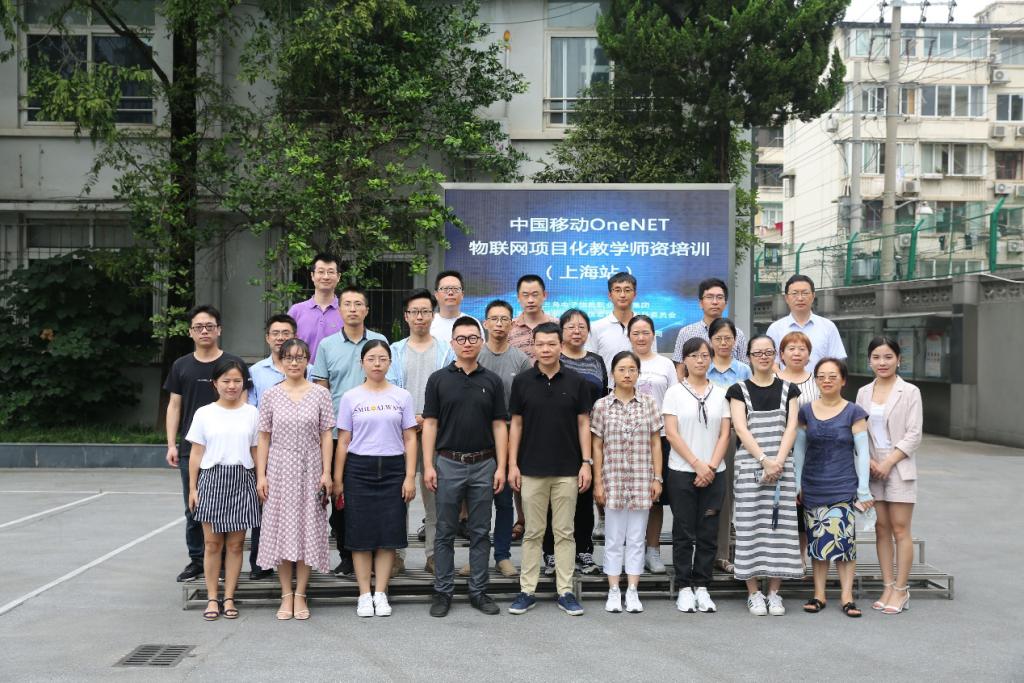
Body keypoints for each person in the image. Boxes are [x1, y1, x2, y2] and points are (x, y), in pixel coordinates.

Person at [422, 317, 508, 617]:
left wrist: (501, 466)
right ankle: (443, 592)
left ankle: (479, 591)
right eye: (461, 338)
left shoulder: (492, 381)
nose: (467, 343)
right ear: (452, 343)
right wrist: (428, 465)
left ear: (481, 342)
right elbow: (430, 424)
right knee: (444, 531)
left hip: (484, 464)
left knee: (480, 531)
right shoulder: (438, 380)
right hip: (448, 463)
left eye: (473, 338)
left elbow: (499, 425)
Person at [508, 322, 593, 617]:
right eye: (540, 344)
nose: (545, 349)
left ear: (561, 346)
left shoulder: (576, 381)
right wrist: (512, 464)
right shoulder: (523, 382)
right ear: (533, 346)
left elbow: (583, 423)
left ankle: (565, 590)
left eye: (551, 344)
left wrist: (586, 463)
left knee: (565, 532)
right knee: (533, 532)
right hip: (531, 469)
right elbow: (516, 424)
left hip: (568, 469)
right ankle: (527, 591)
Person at [334, 340, 418, 618]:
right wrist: (338, 479)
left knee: (387, 534)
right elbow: (343, 440)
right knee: (360, 534)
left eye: (382, 358)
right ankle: (363, 593)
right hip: (359, 469)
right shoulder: (351, 397)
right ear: (362, 363)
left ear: (390, 362)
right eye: (371, 358)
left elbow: (410, 438)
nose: (377, 363)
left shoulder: (402, 396)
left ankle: (380, 592)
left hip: (393, 468)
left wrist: (409, 476)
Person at [254, 338, 334, 621]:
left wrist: (327, 472)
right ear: (281, 361)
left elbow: (327, 434)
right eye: (289, 357)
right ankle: (286, 593)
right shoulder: (271, 395)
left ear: (308, 360)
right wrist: (261, 475)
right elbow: (264, 437)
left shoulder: (320, 394)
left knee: (307, 529)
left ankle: (301, 593)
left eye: (300, 357)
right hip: (279, 468)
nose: (294, 363)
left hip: (311, 466)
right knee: (282, 530)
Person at [165, 305, 246, 583]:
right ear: (190, 332)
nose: (204, 331)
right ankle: (198, 560)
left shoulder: (233, 363)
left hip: (230, 451)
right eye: (198, 327)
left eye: (209, 326)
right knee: (194, 507)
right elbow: (174, 406)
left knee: (229, 510)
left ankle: (222, 563)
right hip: (193, 449)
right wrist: (171, 444)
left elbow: (243, 405)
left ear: (219, 330)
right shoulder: (181, 365)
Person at [311, 285, 388, 577]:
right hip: (336, 436)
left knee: (371, 498)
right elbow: (321, 390)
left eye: (358, 304)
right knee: (339, 496)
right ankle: (346, 554)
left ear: (366, 310)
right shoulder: (327, 346)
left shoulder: (379, 342)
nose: (353, 309)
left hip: (374, 434)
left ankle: (373, 553)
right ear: (340, 309)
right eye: (348, 304)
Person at [726, 335, 803, 616]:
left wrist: (778, 462)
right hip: (750, 467)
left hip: (782, 468)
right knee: (749, 527)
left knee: (780, 529)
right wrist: (764, 461)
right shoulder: (738, 390)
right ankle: (753, 593)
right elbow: (740, 428)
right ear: (748, 357)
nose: (763, 357)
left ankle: (774, 593)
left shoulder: (790, 389)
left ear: (775, 355)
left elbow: (792, 427)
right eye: (757, 353)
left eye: (768, 352)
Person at [792, 357, 873, 618]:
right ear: (815, 380)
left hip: (843, 485)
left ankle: (847, 597)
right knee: (818, 544)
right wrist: (797, 483)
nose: (826, 381)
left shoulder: (854, 412)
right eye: (821, 376)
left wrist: (863, 490)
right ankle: (819, 594)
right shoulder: (805, 411)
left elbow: (863, 453)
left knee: (845, 544)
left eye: (832, 376)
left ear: (843, 380)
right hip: (813, 485)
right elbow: (799, 451)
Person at [186, 358, 260, 621]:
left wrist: (261, 479)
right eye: (226, 381)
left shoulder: (252, 413)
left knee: (236, 545)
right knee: (212, 544)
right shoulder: (204, 413)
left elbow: (256, 450)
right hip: (211, 479)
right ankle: (212, 597)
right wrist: (193, 488)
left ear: (244, 384)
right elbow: (196, 453)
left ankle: (229, 596)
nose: (231, 386)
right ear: (214, 383)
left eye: (237, 381)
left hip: (242, 478)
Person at [663, 338, 731, 614]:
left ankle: (702, 585)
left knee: (708, 530)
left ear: (711, 359)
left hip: (715, 473)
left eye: (704, 355)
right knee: (683, 530)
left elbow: (725, 434)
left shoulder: (722, 393)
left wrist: (710, 467)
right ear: (685, 360)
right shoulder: (674, 393)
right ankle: (683, 586)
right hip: (682, 471)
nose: (700, 360)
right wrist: (696, 464)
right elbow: (672, 433)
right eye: (694, 355)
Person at [591, 351, 662, 614]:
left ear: (638, 373)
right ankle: (613, 590)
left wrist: (657, 477)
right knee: (613, 538)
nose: (627, 374)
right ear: (613, 373)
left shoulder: (648, 403)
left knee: (636, 539)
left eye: (632, 369)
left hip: (642, 479)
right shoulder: (602, 405)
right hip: (613, 479)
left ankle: (632, 590)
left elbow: (656, 443)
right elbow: (597, 446)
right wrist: (598, 482)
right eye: (622, 369)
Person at [386, 288, 451, 576]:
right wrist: (409, 418)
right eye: (414, 312)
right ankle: (396, 555)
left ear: (433, 315)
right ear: (406, 316)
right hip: (400, 433)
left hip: (436, 433)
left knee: (434, 497)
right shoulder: (394, 350)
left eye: (425, 311)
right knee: (399, 495)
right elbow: (388, 389)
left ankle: (434, 555)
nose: (420, 317)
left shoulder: (446, 350)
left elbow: (450, 390)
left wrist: (428, 417)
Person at [855, 336, 922, 615]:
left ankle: (902, 589)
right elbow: (858, 430)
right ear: (869, 361)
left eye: (888, 357)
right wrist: (871, 462)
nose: (882, 362)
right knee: (881, 529)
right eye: (876, 357)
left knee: (900, 529)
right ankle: (887, 585)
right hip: (872, 467)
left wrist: (888, 462)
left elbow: (914, 434)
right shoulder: (863, 392)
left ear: (898, 360)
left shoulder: (910, 391)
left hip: (899, 465)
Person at [544, 308, 607, 576]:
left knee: (584, 495)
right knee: (553, 497)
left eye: (582, 326)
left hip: (590, 437)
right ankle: (551, 553)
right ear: (561, 332)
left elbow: (603, 399)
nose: (576, 331)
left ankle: (584, 551)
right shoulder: (553, 359)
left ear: (588, 331)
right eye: (570, 327)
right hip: (558, 437)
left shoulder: (596, 361)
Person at [475, 299, 532, 577]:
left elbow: (525, 404)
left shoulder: (520, 360)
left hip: (510, 437)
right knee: (479, 501)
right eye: (494, 319)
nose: (499, 324)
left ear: (512, 324)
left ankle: (502, 555)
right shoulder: (475, 355)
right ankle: (477, 557)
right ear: (485, 323)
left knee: (505, 498)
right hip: (478, 437)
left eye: (504, 319)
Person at [246, 313, 301, 581]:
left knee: (297, 509)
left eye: (285, 333)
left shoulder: (307, 368)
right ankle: (262, 562)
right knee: (265, 506)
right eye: (275, 333)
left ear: (294, 336)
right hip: (268, 447)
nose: (280, 338)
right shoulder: (256, 371)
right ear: (268, 338)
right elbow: (251, 412)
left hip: (301, 451)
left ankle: (296, 560)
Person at [628, 314, 678, 574]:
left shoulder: (665, 364)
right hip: (629, 439)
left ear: (653, 334)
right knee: (630, 498)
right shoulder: (623, 362)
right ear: (629, 336)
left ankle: (653, 551)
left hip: (661, 438)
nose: (641, 337)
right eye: (635, 333)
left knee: (655, 497)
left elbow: (674, 400)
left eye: (645, 332)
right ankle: (632, 551)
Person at [705, 317, 751, 573]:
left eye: (728, 338)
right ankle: (706, 551)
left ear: (735, 341)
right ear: (710, 340)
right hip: (706, 436)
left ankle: (725, 554)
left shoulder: (744, 371)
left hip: (735, 437)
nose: (723, 343)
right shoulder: (703, 367)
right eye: (718, 338)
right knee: (709, 494)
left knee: (731, 494)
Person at [776, 330, 820, 567]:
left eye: (802, 349)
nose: (796, 353)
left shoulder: (817, 380)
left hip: (811, 450)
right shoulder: (773, 378)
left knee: (803, 502)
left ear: (809, 354)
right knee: (782, 502)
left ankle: (800, 555)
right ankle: (781, 553)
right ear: (781, 354)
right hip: (777, 448)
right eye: (791, 348)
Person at [766, 275, 846, 370]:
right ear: (786, 298)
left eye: (805, 293)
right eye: (795, 293)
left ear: (813, 296)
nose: (800, 298)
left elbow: (836, 363)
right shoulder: (775, 329)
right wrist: (784, 378)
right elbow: (771, 363)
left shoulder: (828, 327)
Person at [671, 277, 749, 366]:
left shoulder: (738, 334)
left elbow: (744, 367)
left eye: (719, 297)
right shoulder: (686, 333)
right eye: (709, 297)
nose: (715, 302)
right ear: (701, 303)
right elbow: (680, 367)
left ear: (725, 304)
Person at [287, 253, 343, 362]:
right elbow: (286, 347)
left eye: (331, 272)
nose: (326, 277)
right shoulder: (296, 311)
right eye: (321, 272)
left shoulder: (347, 311)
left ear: (338, 277)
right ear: (312, 276)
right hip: (302, 371)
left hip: (338, 372)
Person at [586, 272, 637, 377]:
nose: (622, 295)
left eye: (627, 290)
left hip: (640, 386)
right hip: (606, 386)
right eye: (617, 290)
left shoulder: (644, 326)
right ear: (610, 295)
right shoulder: (596, 327)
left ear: (634, 295)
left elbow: (651, 359)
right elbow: (590, 365)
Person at [508, 274, 557, 360]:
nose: (530, 300)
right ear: (518, 297)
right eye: (525, 295)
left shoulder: (558, 325)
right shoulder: (509, 327)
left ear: (544, 295)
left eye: (535, 295)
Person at [430, 271, 475, 341]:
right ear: (436, 295)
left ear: (462, 294)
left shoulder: (473, 323)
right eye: (445, 289)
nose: (450, 292)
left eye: (455, 289)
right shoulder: (428, 324)